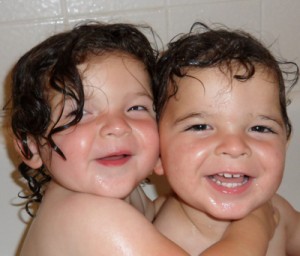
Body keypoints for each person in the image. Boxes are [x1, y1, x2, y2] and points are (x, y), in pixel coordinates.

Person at [8, 21, 277, 256]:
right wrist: (256, 223)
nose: (117, 126)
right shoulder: (85, 214)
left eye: (135, 108)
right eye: (80, 113)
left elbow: (152, 219)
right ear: (29, 146)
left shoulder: (121, 194)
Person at [152, 22, 300, 256]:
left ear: (285, 142)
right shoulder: (160, 237)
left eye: (260, 128)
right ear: (157, 152)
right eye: (200, 126)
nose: (235, 147)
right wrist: (256, 227)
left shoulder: (276, 209)